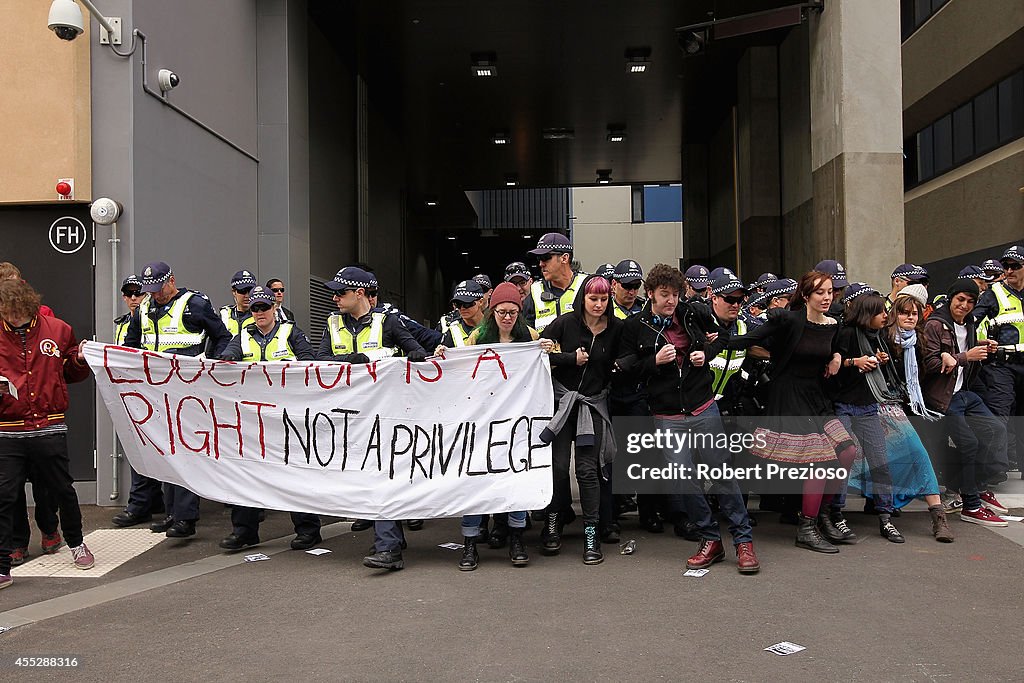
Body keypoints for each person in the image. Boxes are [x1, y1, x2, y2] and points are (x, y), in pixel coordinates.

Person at [618, 265, 760, 573]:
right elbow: (625, 367)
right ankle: (710, 539)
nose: (671, 301)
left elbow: (723, 337)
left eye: (675, 294)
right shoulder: (637, 326)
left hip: (701, 405)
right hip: (666, 413)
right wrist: (653, 362)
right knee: (683, 478)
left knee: (721, 473)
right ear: (650, 293)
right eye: (664, 295)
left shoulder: (693, 312)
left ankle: (743, 541)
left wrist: (705, 354)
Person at [725, 271, 859, 554]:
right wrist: (713, 342)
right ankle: (806, 528)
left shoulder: (834, 323)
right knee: (818, 460)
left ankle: (824, 515)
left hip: (817, 397)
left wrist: (836, 358)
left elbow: (839, 346)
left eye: (830, 292)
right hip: (789, 395)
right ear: (807, 295)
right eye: (820, 292)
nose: (826, 297)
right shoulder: (791, 320)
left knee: (847, 451)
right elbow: (751, 339)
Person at [316, 266, 429, 571]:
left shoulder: (389, 322)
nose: (335, 297)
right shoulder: (332, 323)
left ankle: (388, 547)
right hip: (349, 416)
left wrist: (386, 359)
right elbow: (319, 360)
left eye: (341, 292)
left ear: (360, 294)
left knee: (382, 475)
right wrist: (354, 361)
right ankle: (394, 535)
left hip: (388, 414)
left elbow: (417, 354)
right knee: (370, 476)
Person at [123, 261, 232, 538]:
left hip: (188, 391)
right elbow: (132, 345)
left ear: (171, 281)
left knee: (184, 451)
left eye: (159, 289)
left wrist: (213, 366)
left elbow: (222, 337)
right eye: (151, 290)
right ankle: (172, 513)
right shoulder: (145, 308)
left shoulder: (194, 303)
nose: (155, 295)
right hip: (154, 391)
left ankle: (185, 518)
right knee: (165, 451)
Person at [450, 282, 553, 570]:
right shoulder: (476, 338)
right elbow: (458, 369)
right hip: (482, 422)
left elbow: (550, 359)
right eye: (501, 312)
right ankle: (470, 543)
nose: (507, 317)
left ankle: (516, 537)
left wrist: (548, 348)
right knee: (475, 480)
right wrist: (444, 355)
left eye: (512, 312)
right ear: (492, 311)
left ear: (519, 313)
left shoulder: (529, 336)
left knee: (516, 478)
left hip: (517, 422)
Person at [0, 280, 95, 590]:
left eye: (19, 314)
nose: (14, 319)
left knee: (62, 490)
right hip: (8, 429)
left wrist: (79, 360)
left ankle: (77, 543)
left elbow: (71, 370)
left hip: (48, 424)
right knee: (4, 496)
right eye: (8, 314)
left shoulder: (57, 329)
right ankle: (2, 564)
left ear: (30, 306)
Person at [216, 287, 322, 551]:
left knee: (294, 473)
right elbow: (227, 357)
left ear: (275, 308)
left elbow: (310, 362)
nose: (259, 313)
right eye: (254, 308)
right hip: (253, 420)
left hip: (289, 418)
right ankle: (244, 532)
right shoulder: (242, 336)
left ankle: (308, 530)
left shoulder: (291, 332)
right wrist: (228, 358)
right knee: (246, 473)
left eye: (264, 307)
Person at [856, 291, 953, 541]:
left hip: (901, 407)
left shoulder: (918, 340)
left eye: (914, 313)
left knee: (918, 454)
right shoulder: (881, 337)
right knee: (864, 461)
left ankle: (937, 516)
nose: (910, 317)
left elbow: (929, 366)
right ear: (893, 314)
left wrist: (943, 354)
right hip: (875, 405)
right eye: (904, 312)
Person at [539, 275, 622, 565]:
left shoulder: (616, 328)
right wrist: (568, 359)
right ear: (583, 299)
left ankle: (591, 531)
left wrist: (621, 365)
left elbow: (633, 354)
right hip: (563, 405)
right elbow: (540, 352)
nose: (599, 304)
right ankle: (554, 519)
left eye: (603, 299)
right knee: (559, 468)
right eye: (593, 299)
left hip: (593, 406)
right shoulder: (564, 323)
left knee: (588, 471)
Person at [921, 279, 1008, 527]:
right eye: (960, 299)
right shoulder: (935, 324)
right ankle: (970, 504)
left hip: (963, 393)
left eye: (970, 301)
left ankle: (972, 487)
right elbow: (929, 365)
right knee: (968, 444)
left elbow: (963, 350)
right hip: (942, 397)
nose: (965, 305)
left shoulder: (968, 323)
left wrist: (981, 347)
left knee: (996, 430)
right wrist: (964, 357)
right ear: (951, 298)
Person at [828, 284, 904, 543]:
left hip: (869, 406)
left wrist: (879, 359)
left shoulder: (878, 336)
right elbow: (832, 369)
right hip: (843, 404)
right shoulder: (847, 333)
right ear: (865, 314)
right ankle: (836, 514)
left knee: (880, 461)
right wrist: (855, 362)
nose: (885, 316)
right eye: (879, 312)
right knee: (844, 461)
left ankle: (885, 516)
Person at [110, 274, 165, 528]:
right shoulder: (122, 323)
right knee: (139, 446)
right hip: (132, 393)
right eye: (129, 294)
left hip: (156, 390)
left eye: (138, 293)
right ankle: (150, 500)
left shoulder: (154, 318)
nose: (134, 298)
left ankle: (141, 504)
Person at [973, 245, 1024, 479]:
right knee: (1000, 414)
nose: (1009, 270)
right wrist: (979, 343)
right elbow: (971, 321)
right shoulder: (994, 293)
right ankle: (993, 471)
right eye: (1006, 266)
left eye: (1015, 266)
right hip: (1001, 365)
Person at [523, 232, 588, 331]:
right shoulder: (535, 291)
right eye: (539, 258)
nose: (541, 264)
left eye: (545, 258)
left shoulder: (587, 285)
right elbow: (526, 334)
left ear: (564, 258)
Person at [436, 280, 485, 351]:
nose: (462, 308)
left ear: (480, 302)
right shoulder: (453, 332)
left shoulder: (495, 326)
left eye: (467, 303)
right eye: (458, 304)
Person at [218, 270, 257, 337]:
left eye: (250, 291)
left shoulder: (261, 315)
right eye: (242, 291)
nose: (247, 295)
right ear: (234, 292)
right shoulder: (225, 316)